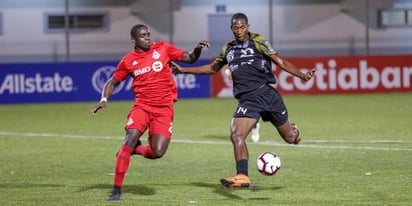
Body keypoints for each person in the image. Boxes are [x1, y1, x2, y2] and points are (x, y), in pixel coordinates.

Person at [172, 12, 316, 188]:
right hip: (248, 101)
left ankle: (294, 131)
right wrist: (184, 71)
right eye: (235, 27)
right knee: (236, 135)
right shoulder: (228, 49)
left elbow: (280, 61)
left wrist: (302, 75)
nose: (239, 31)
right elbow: (212, 68)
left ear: (247, 27)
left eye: (242, 27)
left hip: (267, 95)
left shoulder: (258, 42)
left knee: (290, 138)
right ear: (231, 29)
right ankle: (242, 175)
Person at [91, 24, 210, 201]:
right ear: (134, 40)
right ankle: (116, 190)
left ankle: (135, 150)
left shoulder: (163, 48)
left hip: (164, 109)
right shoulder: (128, 60)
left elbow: (190, 58)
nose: (147, 37)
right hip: (142, 107)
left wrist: (198, 49)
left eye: (148, 34)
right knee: (129, 137)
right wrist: (104, 99)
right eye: (142, 36)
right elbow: (112, 82)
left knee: (158, 152)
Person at [223, 66, 261, 143]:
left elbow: (231, 75)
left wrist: (227, 70)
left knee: (250, 105)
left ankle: (253, 127)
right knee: (243, 106)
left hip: (251, 85)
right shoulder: (231, 56)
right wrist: (226, 69)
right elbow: (230, 75)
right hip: (239, 87)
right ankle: (250, 127)